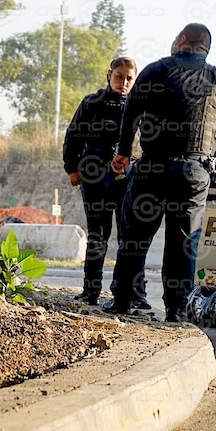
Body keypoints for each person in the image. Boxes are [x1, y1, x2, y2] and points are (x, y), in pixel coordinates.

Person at [102, 23, 216, 320]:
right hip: (194, 172)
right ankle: (177, 309)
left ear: (183, 40)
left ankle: (122, 300)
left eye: (175, 38)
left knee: (135, 236)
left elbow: (131, 112)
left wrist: (123, 152)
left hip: (153, 168)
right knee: (183, 241)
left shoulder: (156, 70)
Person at [63, 57, 150, 309]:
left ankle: (135, 294)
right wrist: (72, 168)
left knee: (130, 238)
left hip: (128, 180)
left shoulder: (139, 108)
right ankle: (90, 291)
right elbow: (73, 135)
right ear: (109, 74)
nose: (123, 82)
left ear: (135, 80)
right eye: (119, 76)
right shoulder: (92, 102)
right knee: (98, 236)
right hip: (94, 179)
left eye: (129, 78)